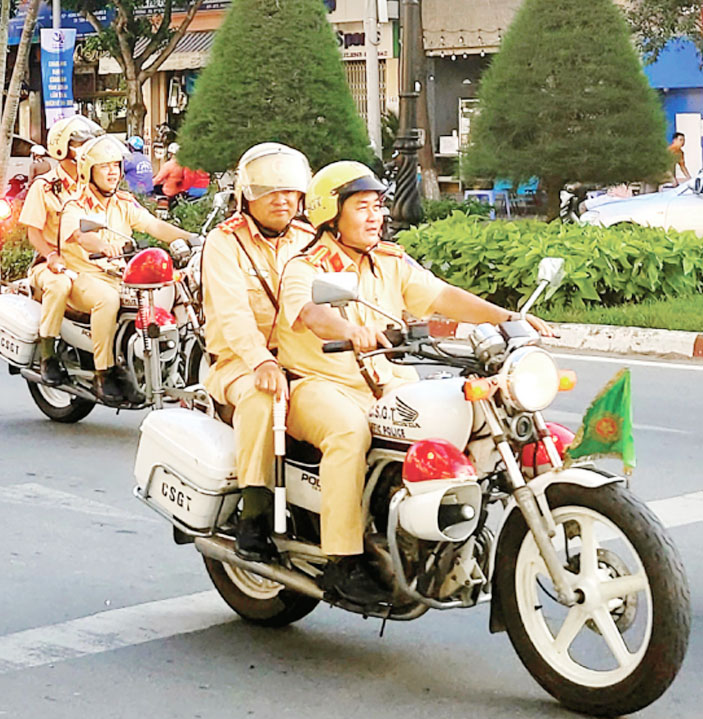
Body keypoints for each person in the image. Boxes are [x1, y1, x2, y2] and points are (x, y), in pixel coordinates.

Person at [275, 160, 553, 602]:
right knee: (349, 433)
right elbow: (312, 314)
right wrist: (351, 332)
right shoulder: (305, 266)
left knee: (465, 413)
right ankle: (342, 560)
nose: (376, 216)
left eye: (378, 206)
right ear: (332, 213)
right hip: (319, 384)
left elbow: (441, 296)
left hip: (387, 382)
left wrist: (509, 318)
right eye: (363, 207)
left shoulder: (390, 260)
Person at [200, 143, 315, 561]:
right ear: (247, 195)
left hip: (305, 359)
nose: (282, 199)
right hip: (239, 362)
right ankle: (254, 513)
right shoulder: (224, 243)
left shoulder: (310, 239)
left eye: (290, 190)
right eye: (270, 190)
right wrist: (261, 360)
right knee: (262, 397)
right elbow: (233, 315)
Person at [59, 135, 197, 403]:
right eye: (104, 166)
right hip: (85, 275)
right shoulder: (75, 205)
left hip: (119, 276)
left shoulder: (123, 202)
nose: (112, 171)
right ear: (89, 171)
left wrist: (190, 237)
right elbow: (80, 235)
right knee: (107, 300)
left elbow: (153, 225)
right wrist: (101, 244)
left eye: (115, 165)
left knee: (173, 287)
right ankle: (104, 373)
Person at [18, 115, 100, 385]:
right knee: (59, 285)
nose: (85, 149)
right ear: (62, 147)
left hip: (88, 261)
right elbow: (34, 233)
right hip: (50, 262)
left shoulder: (93, 185)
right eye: (79, 144)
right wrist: (52, 256)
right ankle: (48, 355)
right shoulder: (44, 187)